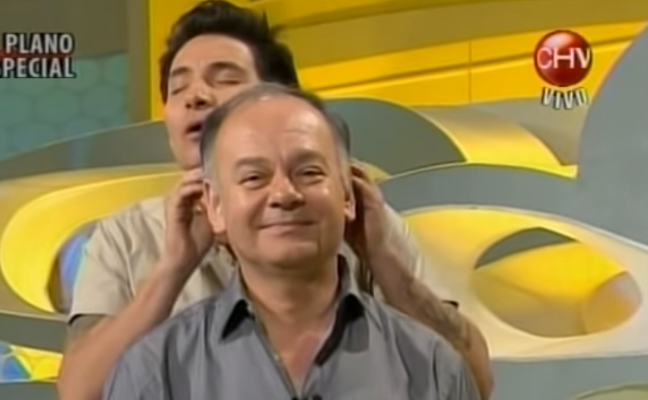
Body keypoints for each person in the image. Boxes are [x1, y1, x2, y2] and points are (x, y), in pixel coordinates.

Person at [58, 1, 493, 399]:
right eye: (178, 88)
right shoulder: (125, 237)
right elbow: (81, 392)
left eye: (225, 79)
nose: (197, 97)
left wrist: (382, 259)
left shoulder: (359, 221)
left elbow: (468, 380)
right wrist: (172, 270)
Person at [103, 83, 482, 400]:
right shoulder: (155, 371)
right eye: (254, 178)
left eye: (309, 172)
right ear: (215, 206)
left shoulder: (432, 366)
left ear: (348, 195)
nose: (284, 194)